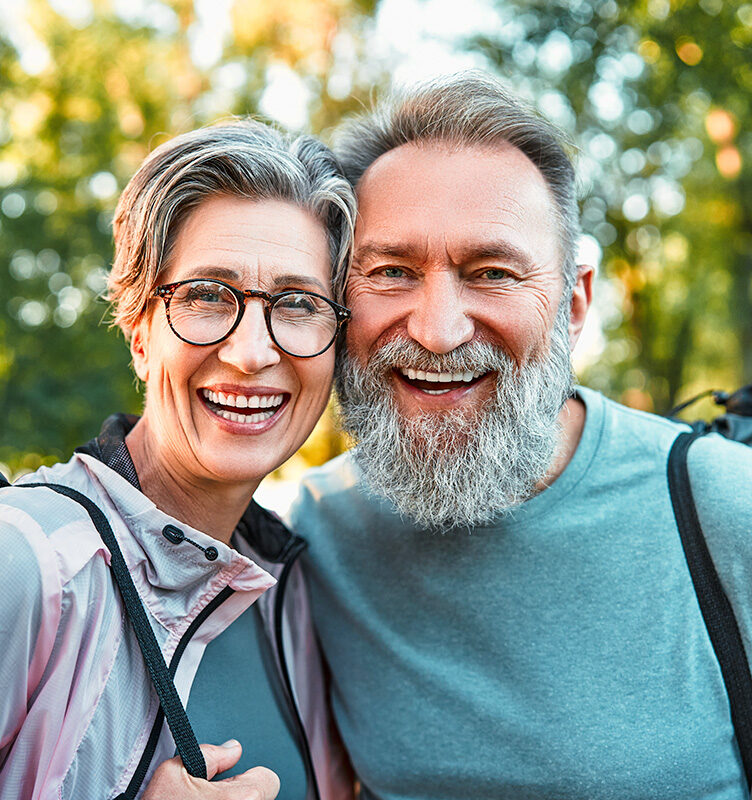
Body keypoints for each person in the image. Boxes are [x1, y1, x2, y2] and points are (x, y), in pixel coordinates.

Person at [288, 72, 752, 799]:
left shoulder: (726, 508)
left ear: (573, 304)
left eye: (493, 272)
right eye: (391, 271)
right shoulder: (308, 539)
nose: (438, 332)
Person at [0, 121, 356, 800]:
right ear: (139, 332)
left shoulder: (293, 597)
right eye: (205, 295)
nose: (252, 353)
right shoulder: (23, 563)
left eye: (297, 303)